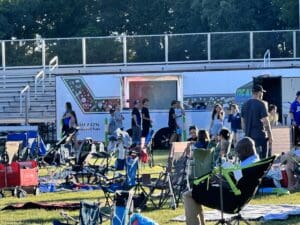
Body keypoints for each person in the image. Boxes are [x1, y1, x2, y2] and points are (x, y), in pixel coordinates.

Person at [183, 137, 259, 225]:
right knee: (196, 192)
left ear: (246, 151)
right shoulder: (255, 162)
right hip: (238, 199)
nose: (237, 156)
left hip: (231, 201)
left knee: (189, 194)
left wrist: (218, 180)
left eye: (239, 152)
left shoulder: (247, 166)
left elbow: (235, 187)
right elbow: (239, 184)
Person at [241, 84, 273, 158]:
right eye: (262, 93)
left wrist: (246, 133)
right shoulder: (261, 104)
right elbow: (266, 122)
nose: (262, 95)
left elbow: (242, 123)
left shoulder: (244, 105)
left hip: (248, 138)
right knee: (262, 160)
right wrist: (270, 136)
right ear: (259, 93)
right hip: (260, 137)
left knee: (251, 160)